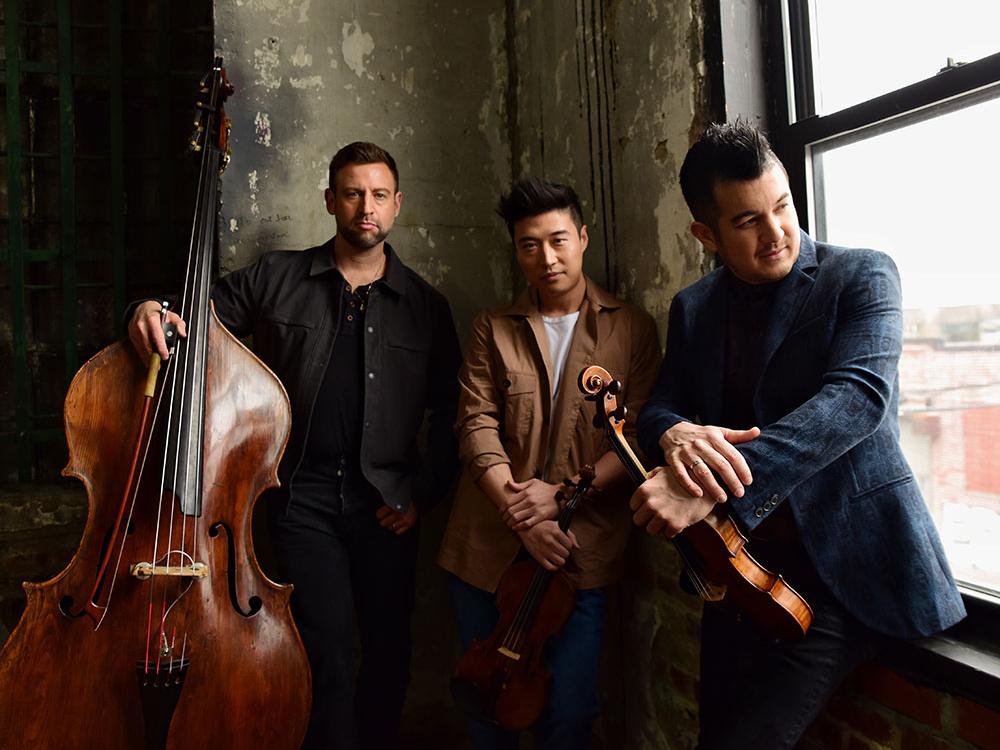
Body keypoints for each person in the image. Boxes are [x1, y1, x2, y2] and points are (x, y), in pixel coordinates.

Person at [632, 121, 966, 749]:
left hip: (845, 576)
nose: (776, 231)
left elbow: (857, 401)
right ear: (707, 234)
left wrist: (712, 487)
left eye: (782, 205)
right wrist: (674, 434)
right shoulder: (693, 307)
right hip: (739, 575)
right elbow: (662, 405)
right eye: (747, 221)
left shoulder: (863, 274)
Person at [128, 141, 461, 750]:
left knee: (388, 649)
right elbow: (189, 320)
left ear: (397, 205)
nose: (367, 207)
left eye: (380, 195)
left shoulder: (426, 306)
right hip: (300, 497)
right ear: (330, 200)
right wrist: (148, 308)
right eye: (354, 193)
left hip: (388, 502)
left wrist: (422, 493)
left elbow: (452, 415)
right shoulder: (277, 278)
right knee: (324, 651)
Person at [438, 177, 661, 749]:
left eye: (558, 240)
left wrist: (562, 499)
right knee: (486, 708)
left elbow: (636, 438)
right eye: (528, 244)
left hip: (580, 549)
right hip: (488, 545)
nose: (546, 257)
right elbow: (475, 424)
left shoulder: (631, 326)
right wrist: (523, 516)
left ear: (582, 238)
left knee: (568, 713)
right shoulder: (493, 326)